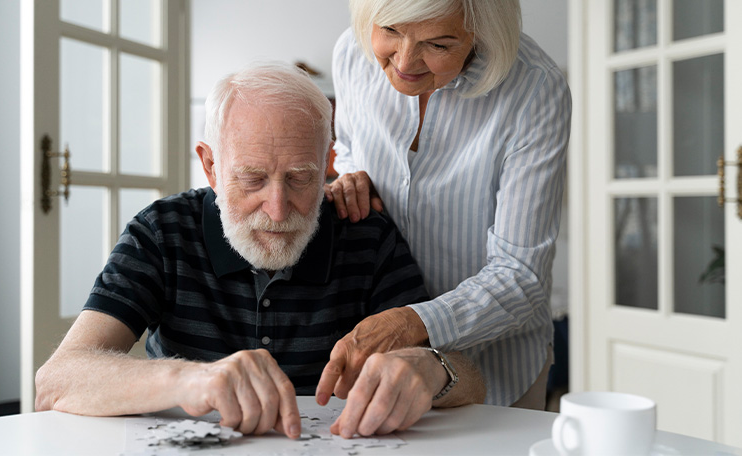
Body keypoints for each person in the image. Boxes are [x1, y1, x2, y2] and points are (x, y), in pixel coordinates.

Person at [35, 62, 486, 440]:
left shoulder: (367, 237)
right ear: (211, 166)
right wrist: (192, 378)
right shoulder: (162, 231)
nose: (276, 209)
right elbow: (57, 380)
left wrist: (432, 370)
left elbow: (470, 377)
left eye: (300, 178)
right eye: (252, 179)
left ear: (329, 160)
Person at [317, 0, 571, 410]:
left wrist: (411, 323)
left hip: (499, 363)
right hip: (381, 358)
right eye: (391, 30)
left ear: (480, 32)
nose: (404, 61)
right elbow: (347, 148)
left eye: (437, 44)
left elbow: (522, 275)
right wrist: (349, 177)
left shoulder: (534, 89)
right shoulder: (351, 52)